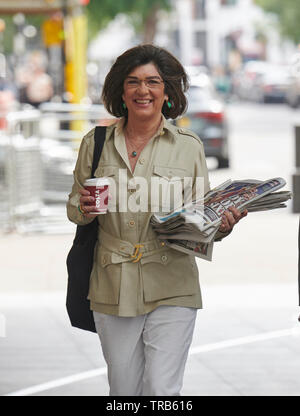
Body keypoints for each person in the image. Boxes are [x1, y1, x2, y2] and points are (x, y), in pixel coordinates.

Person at [67, 44, 247, 396]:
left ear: (167, 92)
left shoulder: (188, 146)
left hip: (173, 281)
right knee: (123, 391)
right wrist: (85, 208)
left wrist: (221, 226)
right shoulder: (96, 142)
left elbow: (202, 217)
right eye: (133, 82)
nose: (142, 90)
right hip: (111, 282)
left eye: (152, 82)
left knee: (162, 390)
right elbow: (75, 206)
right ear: (121, 90)